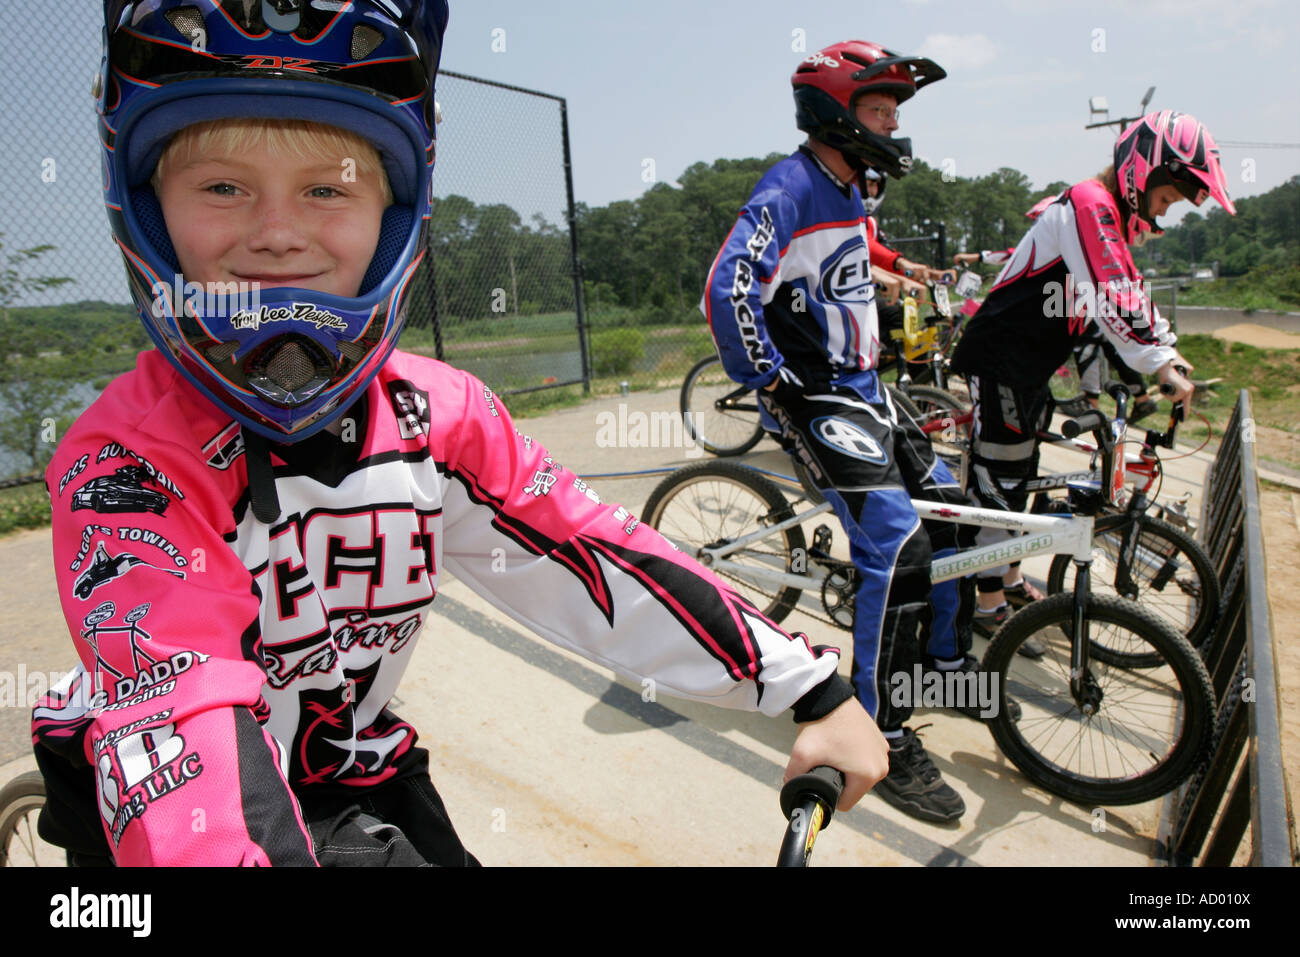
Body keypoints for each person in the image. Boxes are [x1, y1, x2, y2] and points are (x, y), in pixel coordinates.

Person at [31, 0, 888, 867]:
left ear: (399, 211)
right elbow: (184, 714)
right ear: (145, 205)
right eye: (222, 186)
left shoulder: (440, 416)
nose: (278, 233)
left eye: (327, 188)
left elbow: (590, 548)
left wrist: (808, 685)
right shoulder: (126, 462)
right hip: (171, 801)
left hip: (351, 769)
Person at [702, 40, 987, 825]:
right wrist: (771, 381)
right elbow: (727, 288)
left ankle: (944, 666)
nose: (893, 124)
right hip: (816, 393)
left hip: (865, 388)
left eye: (896, 110)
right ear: (836, 111)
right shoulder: (789, 187)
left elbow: (857, 248)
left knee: (954, 512)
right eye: (880, 109)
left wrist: (905, 270)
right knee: (898, 543)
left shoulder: (851, 184)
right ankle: (881, 726)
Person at [949, 110, 1235, 626]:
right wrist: (1158, 360)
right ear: (1142, 171)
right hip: (1001, 359)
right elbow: (1114, 290)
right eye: (1166, 198)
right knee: (999, 484)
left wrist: (1164, 351)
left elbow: (1124, 288)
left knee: (1023, 476)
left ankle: (1010, 580)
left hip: (1030, 365)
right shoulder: (1089, 202)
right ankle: (985, 603)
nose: (1163, 213)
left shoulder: (1105, 213)